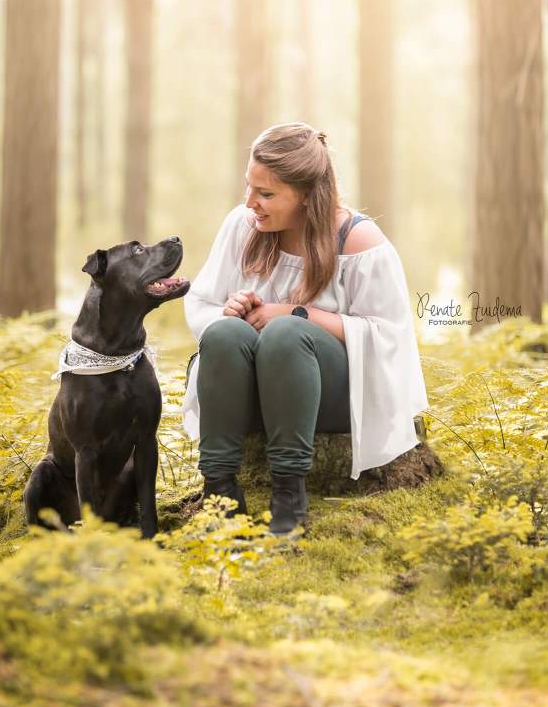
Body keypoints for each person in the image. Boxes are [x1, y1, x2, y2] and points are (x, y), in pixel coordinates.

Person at [181, 122, 429, 536]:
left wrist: (299, 314)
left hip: (330, 397)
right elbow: (202, 303)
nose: (250, 203)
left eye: (266, 194)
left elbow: (391, 338)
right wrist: (231, 310)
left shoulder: (357, 241)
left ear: (308, 196)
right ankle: (220, 489)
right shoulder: (242, 226)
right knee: (224, 333)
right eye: (249, 187)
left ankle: (288, 494)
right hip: (250, 394)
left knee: (287, 333)